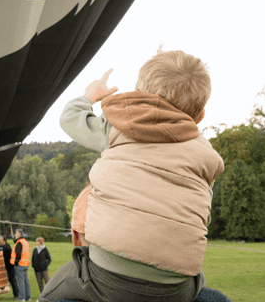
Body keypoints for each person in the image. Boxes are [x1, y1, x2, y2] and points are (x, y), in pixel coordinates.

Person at [39, 49, 225, 302]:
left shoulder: (116, 127)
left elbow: (70, 119)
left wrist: (89, 96)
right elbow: (203, 214)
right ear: (200, 115)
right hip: (177, 288)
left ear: (140, 95)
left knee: (54, 290)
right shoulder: (207, 158)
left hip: (108, 276)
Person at [10, 228, 31, 302]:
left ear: (19, 234)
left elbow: (18, 254)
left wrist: (16, 262)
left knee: (21, 281)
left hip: (20, 265)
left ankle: (21, 298)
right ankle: (28, 297)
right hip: (25, 264)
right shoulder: (25, 242)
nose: (15, 235)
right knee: (26, 281)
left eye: (16, 233)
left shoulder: (19, 242)